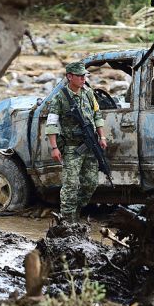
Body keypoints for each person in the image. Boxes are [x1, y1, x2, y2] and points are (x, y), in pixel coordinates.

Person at [45, 61, 108, 223]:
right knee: (71, 185)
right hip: (72, 148)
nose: (82, 79)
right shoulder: (60, 98)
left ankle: (75, 210)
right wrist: (54, 147)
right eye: (79, 76)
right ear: (69, 77)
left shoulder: (89, 94)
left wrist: (102, 137)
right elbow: (51, 124)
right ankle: (66, 220)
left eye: (84, 76)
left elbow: (97, 116)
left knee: (91, 183)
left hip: (91, 145)